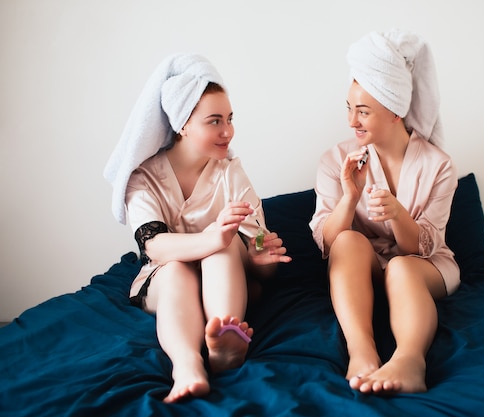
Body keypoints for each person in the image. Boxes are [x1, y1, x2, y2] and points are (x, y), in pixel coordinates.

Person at [104, 53, 291, 403]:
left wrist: (259, 258)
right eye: (215, 121)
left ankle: (224, 336)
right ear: (182, 125)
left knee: (224, 248)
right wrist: (211, 237)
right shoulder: (143, 179)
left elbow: (257, 238)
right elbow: (154, 247)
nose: (228, 132)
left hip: (226, 278)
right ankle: (187, 365)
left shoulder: (229, 171)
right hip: (167, 278)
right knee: (177, 268)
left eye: (230, 119)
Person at [309, 29, 460, 395]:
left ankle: (410, 361)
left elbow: (419, 248)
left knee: (401, 267)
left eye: (363, 111)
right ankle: (362, 351)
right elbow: (327, 243)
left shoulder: (438, 165)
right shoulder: (335, 160)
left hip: (423, 266)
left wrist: (398, 214)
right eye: (349, 108)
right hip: (362, 267)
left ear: (395, 112)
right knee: (348, 241)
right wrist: (350, 195)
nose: (351, 121)